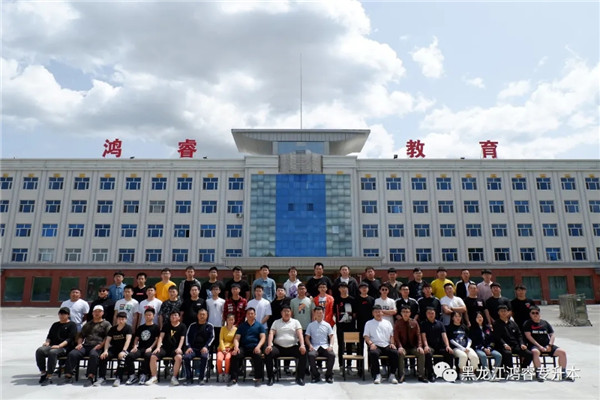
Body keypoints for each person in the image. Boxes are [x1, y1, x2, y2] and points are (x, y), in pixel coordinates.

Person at [61, 305, 111, 386]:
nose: (97, 313)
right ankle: (68, 376)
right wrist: (79, 344)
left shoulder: (106, 324)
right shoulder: (88, 324)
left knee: (93, 355)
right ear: (92, 313)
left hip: (98, 346)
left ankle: (90, 377)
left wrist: (101, 345)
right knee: (73, 353)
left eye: (99, 311)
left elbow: (108, 336)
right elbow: (81, 336)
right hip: (86, 345)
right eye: (95, 311)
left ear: (102, 313)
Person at [523, 306, 573, 381]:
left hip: (547, 345)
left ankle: (563, 374)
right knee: (535, 352)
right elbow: (528, 336)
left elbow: (552, 335)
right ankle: (538, 374)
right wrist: (539, 346)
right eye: (533, 313)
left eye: (537, 313)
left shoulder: (545, 323)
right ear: (530, 314)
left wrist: (550, 345)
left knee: (562, 352)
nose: (535, 314)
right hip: (535, 346)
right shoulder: (527, 323)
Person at [265, 305, 307, 386]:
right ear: (281, 313)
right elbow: (271, 334)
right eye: (284, 311)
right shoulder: (276, 322)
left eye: (288, 311)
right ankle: (271, 377)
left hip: (292, 347)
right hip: (279, 348)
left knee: (303, 353)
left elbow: (300, 334)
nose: (286, 313)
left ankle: (300, 377)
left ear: (291, 313)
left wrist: (302, 345)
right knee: (268, 353)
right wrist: (269, 345)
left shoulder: (296, 322)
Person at [36, 307, 77, 386]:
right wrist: (47, 342)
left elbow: (70, 339)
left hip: (64, 347)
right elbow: (49, 336)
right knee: (40, 351)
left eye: (64, 314)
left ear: (68, 315)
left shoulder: (72, 325)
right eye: (60, 313)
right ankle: (43, 373)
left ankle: (49, 375)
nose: (62, 315)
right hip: (53, 345)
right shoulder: (55, 325)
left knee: (52, 352)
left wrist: (59, 346)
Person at [146, 310, 187, 386]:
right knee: (153, 356)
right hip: (165, 348)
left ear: (179, 317)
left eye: (175, 315)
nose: (173, 317)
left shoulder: (182, 326)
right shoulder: (166, 325)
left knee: (179, 357)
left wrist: (179, 348)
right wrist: (158, 347)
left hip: (175, 348)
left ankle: (174, 377)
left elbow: (182, 338)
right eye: (172, 315)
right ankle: (154, 377)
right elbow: (161, 337)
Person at [228, 308, 266, 387]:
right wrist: (236, 347)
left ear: (255, 315)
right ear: (246, 315)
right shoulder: (242, 326)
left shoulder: (259, 325)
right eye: (248, 314)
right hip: (244, 347)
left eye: (252, 314)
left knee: (258, 356)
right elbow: (236, 338)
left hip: (255, 347)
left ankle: (258, 378)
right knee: (235, 355)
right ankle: (233, 378)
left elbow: (263, 337)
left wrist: (258, 347)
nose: (250, 315)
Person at [363, 305, 399, 384]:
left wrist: (392, 343)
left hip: (386, 345)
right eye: (376, 312)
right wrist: (371, 344)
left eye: (379, 312)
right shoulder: (369, 323)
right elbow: (366, 336)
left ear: (382, 313)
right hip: (375, 345)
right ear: (373, 313)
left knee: (395, 352)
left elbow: (391, 335)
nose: (378, 313)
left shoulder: (387, 323)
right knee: (373, 353)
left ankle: (392, 375)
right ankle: (377, 375)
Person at [124, 307, 159, 385]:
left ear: (153, 316)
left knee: (148, 356)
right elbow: (136, 338)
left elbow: (157, 339)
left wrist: (151, 347)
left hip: (150, 348)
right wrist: (135, 346)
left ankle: (144, 374)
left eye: (149, 315)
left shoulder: (156, 327)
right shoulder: (141, 327)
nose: (147, 316)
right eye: (146, 315)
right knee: (129, 356)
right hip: (140, 348)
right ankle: (132, 376)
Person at [492, 305, 532, 371]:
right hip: (503, 346)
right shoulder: (496, 323)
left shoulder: (513, 323)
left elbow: (519, 335)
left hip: (515, 345)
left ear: (508, 312)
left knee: (529, 354)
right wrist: (505, 344)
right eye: (501, 311)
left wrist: (522, 344)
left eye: (505, 311)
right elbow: (497, 337)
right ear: (498, 312)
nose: (503, 313)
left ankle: (523, 369)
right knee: (507, 354)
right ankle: (510, 371)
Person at [393, 305, 427, 383]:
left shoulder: (414, 322)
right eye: (404, 312)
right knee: (400, 354)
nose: (405, 314)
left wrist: (419, 346)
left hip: (413, 347)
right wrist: (399, 347)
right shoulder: (398, 323)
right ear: (401, 313)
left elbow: (418, 335)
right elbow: (396, 337)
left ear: (410, 313)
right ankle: (401, 375)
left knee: (421, 353)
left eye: (407, 312)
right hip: (403, 347)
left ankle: (421, 375)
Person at [98, 311, 133, 386]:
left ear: (126, 319)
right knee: (103, 357)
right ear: (117, 319)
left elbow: (128, 340)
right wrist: (105, 351)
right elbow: (107, 340)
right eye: (119, 319)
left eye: (123, 319)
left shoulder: (128, 328)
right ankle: (102, 377)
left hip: (125, 349)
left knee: (122, 357)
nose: (121, 321)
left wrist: (123, 351)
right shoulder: (113, 329)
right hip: (114, 348)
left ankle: (118, 378)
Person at [420, 307, 453, 382]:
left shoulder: (440, 324)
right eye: (429, 313)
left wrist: (447, 346)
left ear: (435, 314)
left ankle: (449, 373)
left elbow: (444, 336)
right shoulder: (423, 324)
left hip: (439, 346)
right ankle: (430, 374)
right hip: (430, 346)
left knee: (449, 352)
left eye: (432, 313)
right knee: (428, 353)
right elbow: (423, 336)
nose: (431, 315)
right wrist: (426, 346)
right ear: (426, 314)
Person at [182, 309, 214, 385]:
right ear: (197, 315)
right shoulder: (192, 325)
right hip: (193, 349)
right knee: (186, 357)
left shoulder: (210, 326)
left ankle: (201, 378)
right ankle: (189, 378)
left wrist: (206, 347)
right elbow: (187, 337)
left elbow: (212, 337)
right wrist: (188, 347)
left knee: (204, 357)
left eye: (204, 314)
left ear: (207, 316)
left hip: (204, 349)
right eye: (200, 314)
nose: (202, 316)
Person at [305, 306, 335, 383]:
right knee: (311, 355)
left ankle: (328, 375)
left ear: (323, 313)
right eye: (317, 313)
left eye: (321, 313)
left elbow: (331, 336)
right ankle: (316, 375)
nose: (319, 314)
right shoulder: (310, 325)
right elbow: (307, 337)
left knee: (332, 355)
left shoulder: (327, 325)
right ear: (314, 314)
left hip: (325, 346)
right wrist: (310, 345)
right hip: (315, 347)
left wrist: (331, 346)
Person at [446, 311, 479, 379]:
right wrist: (462, 348)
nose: (458, 318)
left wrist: (467, 347)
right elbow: (451, 340)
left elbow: (469, 338)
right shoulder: (449, 327)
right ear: (452, 318)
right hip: (456, 348)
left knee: (474, 357)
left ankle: (473, 372)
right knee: (463, 356)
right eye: (456, 316)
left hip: (466, 347)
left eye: (459, 316)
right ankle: (461, 372)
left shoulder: (464, 327)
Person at [334, 282, 356, 373]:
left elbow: (354, 314)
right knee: (341, 346)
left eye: (345, 287)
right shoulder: (336, 300)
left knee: (350, 346)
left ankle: (349, 365)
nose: (343, 289)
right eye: (341, 287)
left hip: (350, 326)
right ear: (339, 289)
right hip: (340, 326)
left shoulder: (352, 300)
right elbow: (334, 313)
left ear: (347, 289)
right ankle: (341, 365)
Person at [355, 282, 375, 355]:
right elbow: (354, 313)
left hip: (370, 325)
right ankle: (359, 362)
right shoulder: (356, 299)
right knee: (359, 345)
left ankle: (370, 362)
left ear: (368, 289)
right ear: (359, 289)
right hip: (359, 324)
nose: (364, 289)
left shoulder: (372, 299)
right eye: (362, 288)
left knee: (370, 344)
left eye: (365, 288)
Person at [217, 313, 237, 382]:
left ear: (234, 320)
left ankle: (226, 373)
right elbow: (221, 339)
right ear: (226, 320)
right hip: (222, 348)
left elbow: (235, 340)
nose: (231, 321)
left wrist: (230, 347)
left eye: (232, 320)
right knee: (219, 359)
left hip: (230, 349)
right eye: (229, 320)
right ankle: (220, 373)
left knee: (227, 359)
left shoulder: (236, 329)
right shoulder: (223, 328)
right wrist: (223, 349)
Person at [206, 283, 225, 348]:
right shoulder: (207, 301)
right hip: (210, 324)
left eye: (217, 289)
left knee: (218, 342)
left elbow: (223, 312)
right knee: (210, 341)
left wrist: (223, 323)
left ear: (219, 291)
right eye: (213, 289)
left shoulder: (223, 301)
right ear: (211, 291)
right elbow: (207, 312)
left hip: (219, 324)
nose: (215, 291)